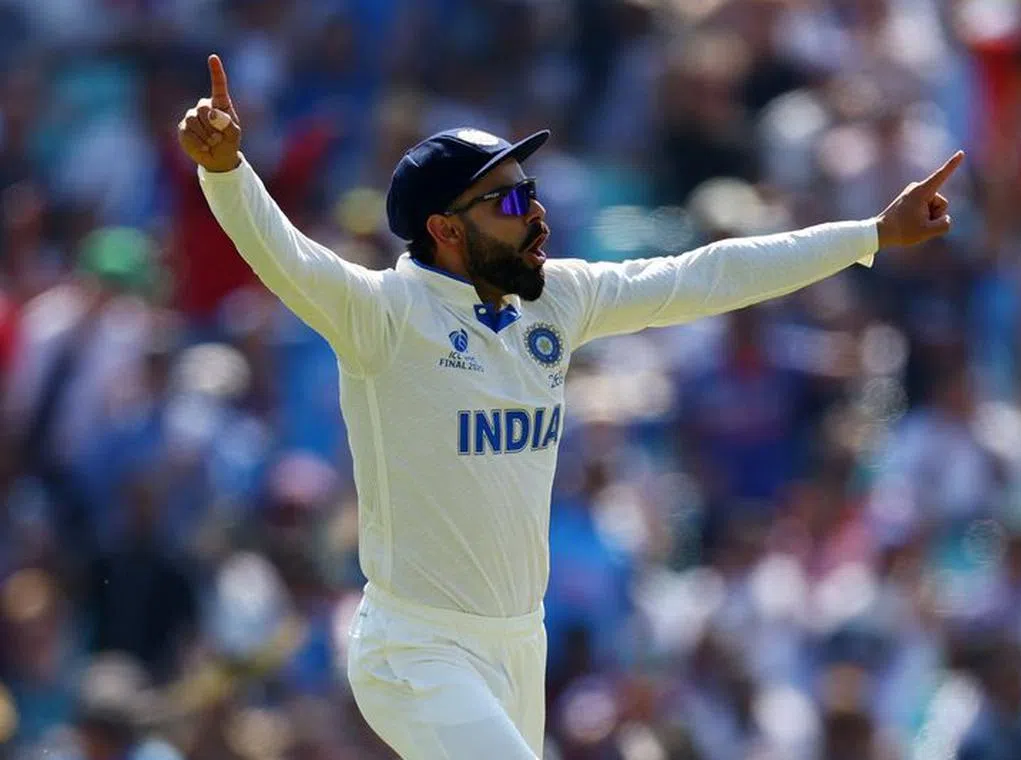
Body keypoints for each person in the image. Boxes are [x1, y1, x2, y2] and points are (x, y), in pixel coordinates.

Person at [177, 53, 963, 760]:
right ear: (447, 229)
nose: (538, 215)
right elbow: (283, 255)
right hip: (415, 649)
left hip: (521, 641)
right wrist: (227, 171)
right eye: (509, 204)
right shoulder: (382, 315)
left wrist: (869, 234)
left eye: (531, 193)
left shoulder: (557, 301)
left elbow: (708, 275)